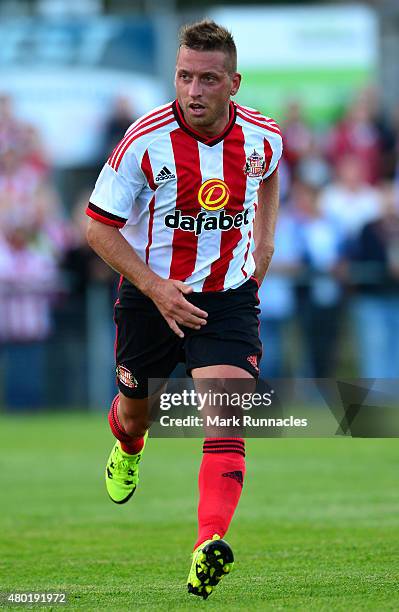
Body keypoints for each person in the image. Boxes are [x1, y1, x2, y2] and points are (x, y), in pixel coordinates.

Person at [86, 20, 282, 600]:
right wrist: (154, 286)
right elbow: (97, 227)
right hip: (150, 300)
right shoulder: (144, 140)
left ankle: (208, 544)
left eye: (208, 79)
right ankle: (128, 446)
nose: (193, 90)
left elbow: (268, 176)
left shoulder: (264, 136)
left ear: (234, 83)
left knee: (225, 418)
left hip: (226, 300)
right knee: (136, 413)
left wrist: (264, 244)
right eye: (184, 76)